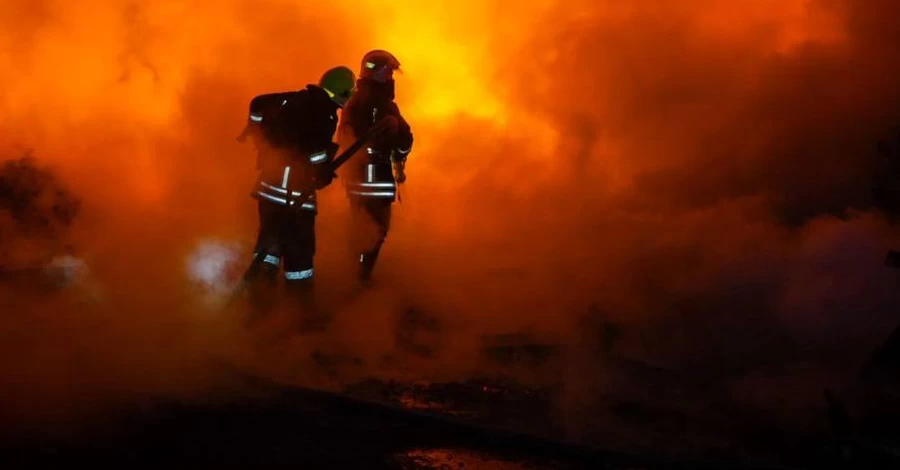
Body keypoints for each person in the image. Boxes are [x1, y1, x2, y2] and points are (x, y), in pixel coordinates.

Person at [236, 65, 356, 324]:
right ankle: (299, 312)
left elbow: (258, 103)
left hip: (269, 189)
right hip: (292, 193)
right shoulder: (324, 113)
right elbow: (313, 148)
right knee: (300, 253)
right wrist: (321, 170)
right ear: (343, 92)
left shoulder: (297, 98)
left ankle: (259, 305)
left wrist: (254, 131)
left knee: (269, 247)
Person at [338, 50, 413, 282]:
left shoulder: (361, 101)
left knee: (366, 229)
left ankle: (357, 274)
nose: (391, 76)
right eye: (387, 71)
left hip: (363, 177)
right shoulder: (376, 104)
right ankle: (359, 278)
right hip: (372, 178)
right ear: (375, 72)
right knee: (374, 231)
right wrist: (398, 146)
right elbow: (403, 137)